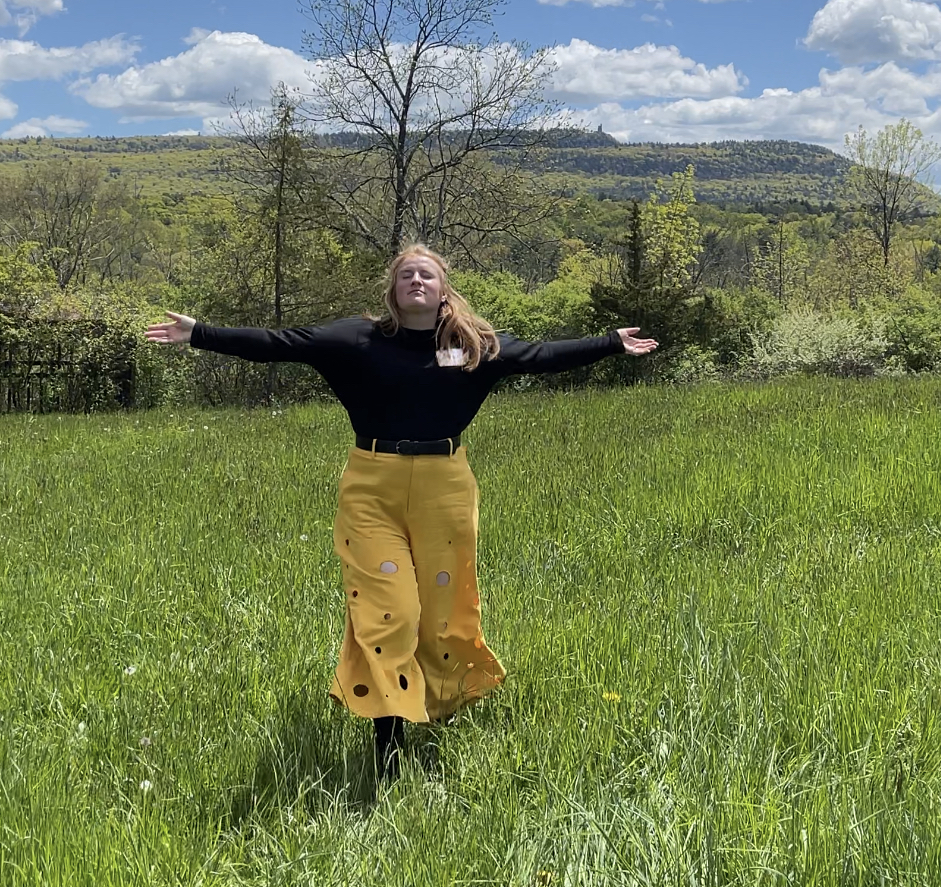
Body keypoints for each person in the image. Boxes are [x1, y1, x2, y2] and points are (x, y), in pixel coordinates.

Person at [146, 246, 657, 786]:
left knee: (442, 613)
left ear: (443, 289)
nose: (416, 280)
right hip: (372, 488)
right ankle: (387, 752)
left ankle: (440, 710)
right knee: (392, 614)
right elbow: (278, 345)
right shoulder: (356, 340)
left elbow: (543, 355)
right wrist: (199, 332)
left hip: (446, 488)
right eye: (406, 274)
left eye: (427, 274)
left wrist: (609, 343)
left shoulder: (474, 346)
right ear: (393, 291)